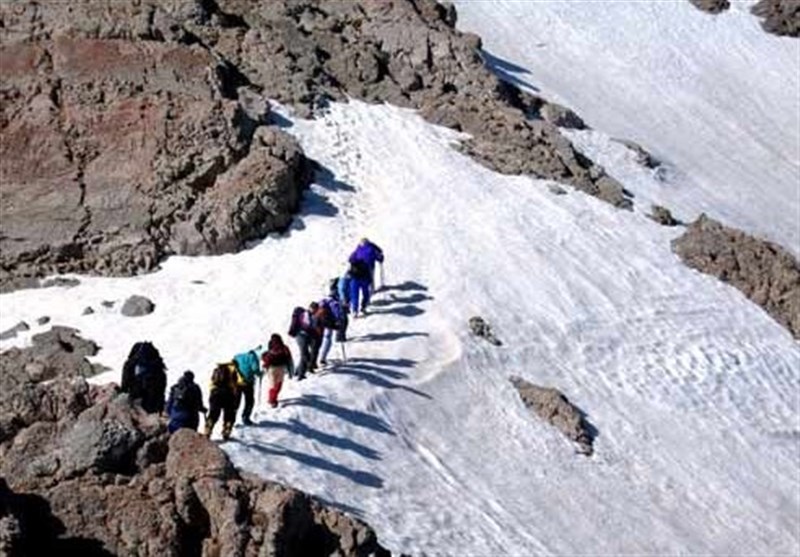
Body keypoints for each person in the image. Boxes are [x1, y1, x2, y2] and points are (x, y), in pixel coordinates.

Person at [120, 341, 167, 414]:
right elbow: (162, 387)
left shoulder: (131, 363)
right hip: (154, 403)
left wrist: (124, 392)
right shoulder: (158, 364)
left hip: (137, 402)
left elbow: (125, 382)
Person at [348, 237, 384, 316]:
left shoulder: (358, 248)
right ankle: (366, 302)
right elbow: (378, 256)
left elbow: (351, 258)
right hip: (368, 269)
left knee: (355, 294)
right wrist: (381, 258)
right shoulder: (371, 248)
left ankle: (355, 310)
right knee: (367, 288)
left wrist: (353, 262)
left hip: (356, 274)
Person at [205, 362, 239, 440]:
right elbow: (235, 384)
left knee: (213, 413)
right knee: (229, 414)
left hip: (215, 394)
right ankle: (226, 431)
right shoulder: (232, 371)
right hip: (228, 394)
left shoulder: (216, 370)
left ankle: (208, 429)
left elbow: (212, 383)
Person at [288, 302, 321, 380]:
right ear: (310, 308)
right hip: (301, 336)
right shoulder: (306, 315)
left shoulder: (312, 316)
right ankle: (300, 375)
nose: (314, 311)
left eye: (315, 309)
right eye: (313, 309)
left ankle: (298, 372)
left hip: (305, 336)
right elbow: (307, 326)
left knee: (305, 355)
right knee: (305, 354)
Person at [261, 334, 294, 408]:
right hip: (280, 368)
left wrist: (265, 366)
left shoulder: (270, 347)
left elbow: (266, 358)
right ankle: (272, 400)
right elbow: (289, 359)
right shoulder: (284, 348)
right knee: (278, 385)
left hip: (272, 369)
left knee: (273, 385)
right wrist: (290, 370)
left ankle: (272, 399)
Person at [232, 347, 263, 426]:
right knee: (249, 401)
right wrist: (260, 374)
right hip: (248, 383)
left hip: (237, 382)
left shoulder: (238, 356)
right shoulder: (253, 357)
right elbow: (255, 369)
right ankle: (246, 418)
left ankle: (231, 420)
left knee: (235, 402)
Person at [317, 295, 347, 366]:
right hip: (328, 323)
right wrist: (338, 325)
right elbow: (338, 315)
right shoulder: (335, 303)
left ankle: (317, 358)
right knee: (327, 339)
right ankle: (322, 358)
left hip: (319, 322)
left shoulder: (322, 301)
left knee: (319, 340)